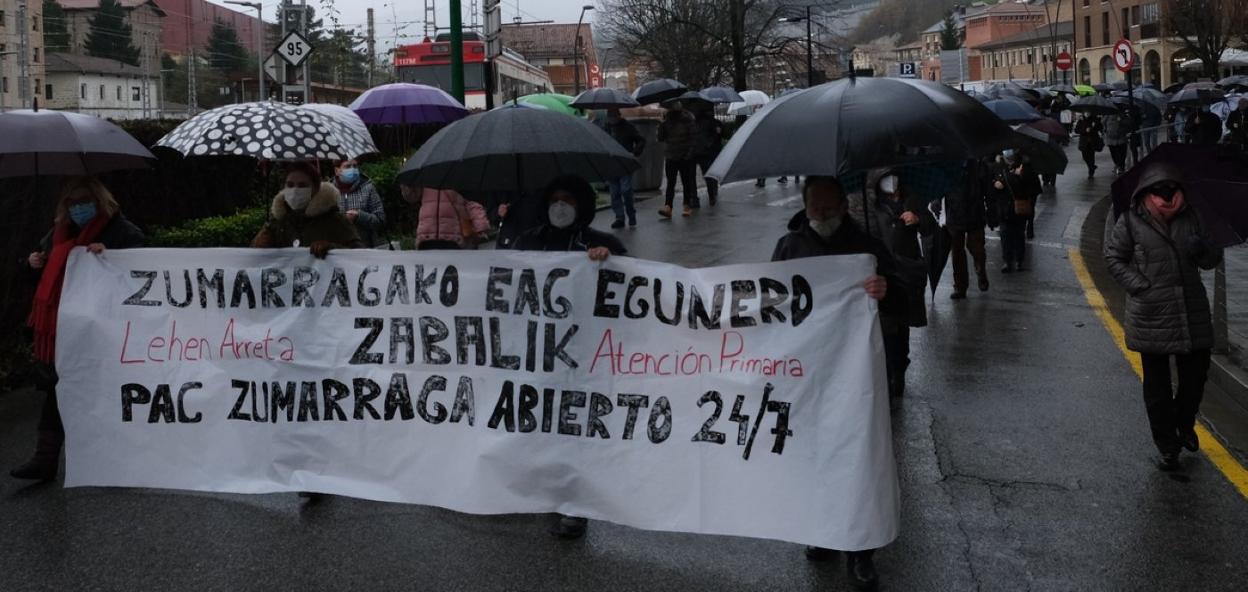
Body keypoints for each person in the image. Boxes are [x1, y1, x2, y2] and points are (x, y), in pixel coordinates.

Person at [771, 175, 896, 591]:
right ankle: (822, 532)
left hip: (854, 374)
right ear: (805, 208)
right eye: (814, 207)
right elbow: (768, 302)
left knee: (856, 458)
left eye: (828, 206)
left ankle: (860, 552)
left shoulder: (867, 247)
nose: (821, 214)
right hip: (807, 374)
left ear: (844, 205)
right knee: (813, 457)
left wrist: (886, 289)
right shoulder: (791, 247)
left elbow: (903, 297)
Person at [512, 175, 627, 539]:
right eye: (554, 199)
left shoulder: (600, 244)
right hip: (538, 352)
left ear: (582, 207)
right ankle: (546, 489)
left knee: (574, 430)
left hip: (583, 355)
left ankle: (574, 504)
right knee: (540, 424)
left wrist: (607, 263)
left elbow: (629, 286)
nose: (560, 207)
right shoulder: (529, 241)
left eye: (569, 201)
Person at [10, 176, 144, 481]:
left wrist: (111, 257)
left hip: (102, 327)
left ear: (100, 202)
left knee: (103, 393)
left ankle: (117, 459)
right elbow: (37, 280)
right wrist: (32, 264)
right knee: (59, 388)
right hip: (61, 329)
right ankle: (45, 458)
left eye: (85, 202)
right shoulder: (57, 235)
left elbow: (138, 269)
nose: (79, 209)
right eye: (72, 203)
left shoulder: (121, 231)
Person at [1103, 163, 1222, 472]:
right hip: (1151, 312)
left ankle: (1183, 425)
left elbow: (1211, 260)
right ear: (1147, 192)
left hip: (1190, 308)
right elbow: (1114, 258)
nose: (1167, 197)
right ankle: (1167, 445)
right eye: (1160, 191)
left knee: (1194, 378)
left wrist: (1204, 250)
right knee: (1157, 386)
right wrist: (1141, 286)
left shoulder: (1192, 216)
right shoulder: (1130, 220)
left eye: (1173, 190)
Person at [868, 171, 932, 398]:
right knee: (886, 328)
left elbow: (930, 228)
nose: (892, 180)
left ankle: (899, 370)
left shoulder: (912, 199)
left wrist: (918, 219)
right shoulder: (872, 208)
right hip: (883, 276)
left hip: (907, 276)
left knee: (901, 329)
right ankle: (887, 375)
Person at [252, 162, 364, 256]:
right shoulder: (277, 221)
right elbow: (253, 257)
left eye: (302, 185)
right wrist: (258, 243)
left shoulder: (336, 220)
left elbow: (359, 255)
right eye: (290, 185)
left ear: (315, 188)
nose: (295, 190)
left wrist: (332, 249)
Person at [945, 159, 992, 299]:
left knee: (976, 248)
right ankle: (960, 286)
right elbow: (940, 185)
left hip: (974, 213)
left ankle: (980, 271)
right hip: (954, 212)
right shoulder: (949, 163)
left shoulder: (979, 164)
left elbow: (988, 190)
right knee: (957, 252)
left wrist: (992, 212)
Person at [989, 154, 1040, 273]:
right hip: (1004, 210)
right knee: (1005, 236)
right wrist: (995, 184)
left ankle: (1019, 260)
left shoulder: (1025, 168)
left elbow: (1033, 189)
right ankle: (1007, 261)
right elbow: (991, 186)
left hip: (1019, 211)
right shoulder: (999, 167)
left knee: (1018, 235)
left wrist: (1021, 176)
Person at [404, 185, 490, 250]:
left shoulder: (459, 174)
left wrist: (481, 226)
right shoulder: (425, 174)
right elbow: (411, 197)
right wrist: (406, 183)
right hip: (427, 236)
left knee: (452, 270)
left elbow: (472, 202)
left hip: (453, 236)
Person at [599, 109, 645, 228]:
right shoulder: (605, 128)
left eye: (614, 115)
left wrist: (634, 153)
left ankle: (631, 214)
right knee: (614, 193)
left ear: (619, 115)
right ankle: (619, 217)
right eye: (610, 116)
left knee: (626, 190)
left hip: (625, 163)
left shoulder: (628, 127)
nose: (612, 118)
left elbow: (641, 140)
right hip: (611, 164)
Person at [656, 101, 699, 218]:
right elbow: (660, 138)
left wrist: (689, 154)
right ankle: (668, 206)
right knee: (671, 182)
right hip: (671, 155)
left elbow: (694, 137)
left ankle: (686, 205)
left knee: (686, 182)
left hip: (684, 156)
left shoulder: (687, 119)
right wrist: (661, 124)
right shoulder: (667, 120)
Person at [334, 159, 388, 248]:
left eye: (355, 166)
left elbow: (381, 220)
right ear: (337, 171)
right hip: (339, 252)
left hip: (365, 251)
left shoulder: (368, 188)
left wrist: (359, 216)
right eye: (347, 166)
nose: (353, 169)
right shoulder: (329, 192)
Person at [692, 106, 725, 206]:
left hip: (701, 151)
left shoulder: (698, 122)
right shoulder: (712, 122)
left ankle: (696, 198)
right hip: (704, 152)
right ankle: (710, 195)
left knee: (695, 176)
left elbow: (718, 136)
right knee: (707, 175)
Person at [1075, 114, 1104, 178]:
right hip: (1084, 142)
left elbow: (1100, 128)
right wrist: (1085, 130)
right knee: (1084, 156)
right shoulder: (1081, 119)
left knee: (1091, 156)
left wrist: (1095, 126)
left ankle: (1091, 172)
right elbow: (1076, 130)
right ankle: (1092, 166)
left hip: (1092, 141)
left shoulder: (1095, 119)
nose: (1087, 113)